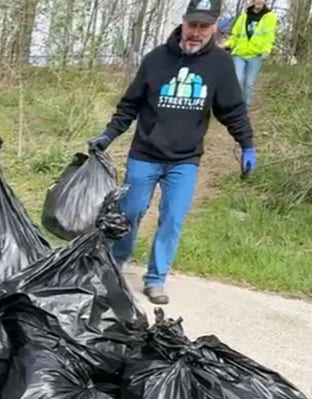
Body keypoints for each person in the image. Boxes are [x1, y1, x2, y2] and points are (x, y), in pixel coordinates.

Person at [88, 0, 254, 305]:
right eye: (193, 25)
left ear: (215, 27)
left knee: (173, 218)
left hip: (185, 159)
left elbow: (232, 110)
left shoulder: (220, 65)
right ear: (183, 22)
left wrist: (247, 144)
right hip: (145, 152)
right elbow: (130, 105)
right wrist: (109, 134)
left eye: (204, 27)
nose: (196, 33)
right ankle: (115, 264)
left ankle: (156, 279)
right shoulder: (156, 59)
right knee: (129, 212)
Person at [225, 0, 277, 105]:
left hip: (255, 55)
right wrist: (228, 44)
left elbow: (269, 36)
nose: (259, 1)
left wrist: (267, 49)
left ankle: (246, 106)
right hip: (240, 53)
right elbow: (235, 35)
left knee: (249, 83)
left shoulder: (269, 17)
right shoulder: (244, 16)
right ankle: (236, 104)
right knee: (237, 79)